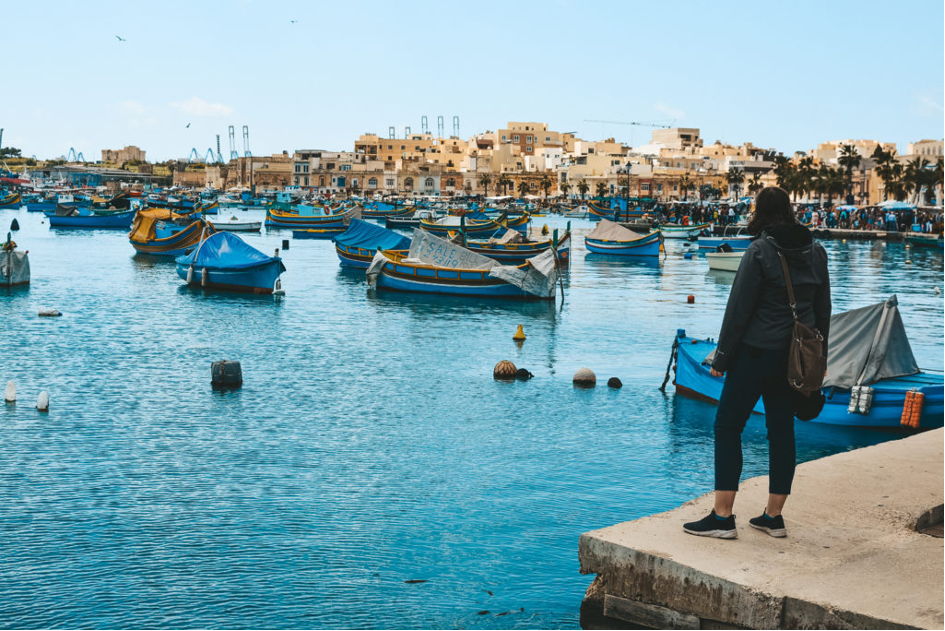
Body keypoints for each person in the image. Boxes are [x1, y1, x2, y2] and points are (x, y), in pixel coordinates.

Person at [683, 186, 831, 539]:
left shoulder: (760, 250)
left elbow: (739, 310)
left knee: (727, 427)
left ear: (760, 212)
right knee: (782, 431)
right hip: (794, 359)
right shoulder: (817, 252)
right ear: (790, 211)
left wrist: (722, 357)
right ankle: (773, 516)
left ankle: (722, 518)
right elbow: (823, 310)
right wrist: (819, 359)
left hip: (754, 354)